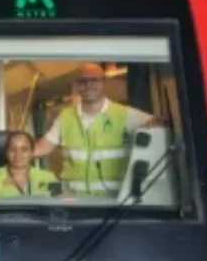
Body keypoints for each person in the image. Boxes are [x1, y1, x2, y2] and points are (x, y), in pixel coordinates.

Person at [33, 62, 157, 196]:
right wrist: (19, 151)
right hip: (74, 202)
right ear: (77, 85)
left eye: (94, 80)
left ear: (104, 83)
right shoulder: (65, 117)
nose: (89, 85)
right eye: (83, 81)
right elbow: (44, 146)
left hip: (113, 202)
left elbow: (160, 125)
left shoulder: (125, 114)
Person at [0, 131, 59, 201]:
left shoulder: (49, 177)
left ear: (31, 152)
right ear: (6, 152)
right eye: (13, 149)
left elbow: (62, 205)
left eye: (24, 149)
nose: (18, 154)